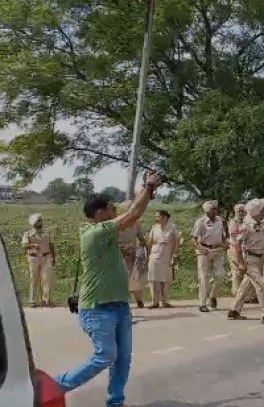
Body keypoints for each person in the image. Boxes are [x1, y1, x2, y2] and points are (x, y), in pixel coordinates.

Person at [55, 173, 160, 407]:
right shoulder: (95, 233)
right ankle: (57, 385)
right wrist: (149, 185)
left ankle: (116, 402)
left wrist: (147, 194)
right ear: (100, 213)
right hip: (97, 309)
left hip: (120, 306)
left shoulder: (107, 234)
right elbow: (133, 214)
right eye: (112, 209)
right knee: (106, 355)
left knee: (122, 359)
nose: (115, 212)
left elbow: (132, 210)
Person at [227, 199, 264, 324]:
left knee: (246, 286)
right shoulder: (247, 226)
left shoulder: (262, 224)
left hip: (260, 258)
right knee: (261, 285)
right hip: (250, 259)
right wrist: (240, 262)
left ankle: (234, 311)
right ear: (256, 212)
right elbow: (237, 243)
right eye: (262, 209)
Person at [191, 200, 226, 312]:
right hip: (204, 251)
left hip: (217, 250)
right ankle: (202, 303)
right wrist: (200, 248)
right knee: (203, 277)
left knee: (220, 275)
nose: (215, 211)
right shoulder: (200, 222)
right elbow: (194, 238)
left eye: (215, 209)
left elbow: (223, 235)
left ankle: (213, 295)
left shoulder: (219, 220)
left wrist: (225, 243)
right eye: (212, 209)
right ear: (206, 211)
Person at [117, 201, 148, 309]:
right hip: (120, 253)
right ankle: (123, 301)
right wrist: (122, 249)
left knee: (135, 278)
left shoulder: (136, 223)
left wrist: (145, 247)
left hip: (133, 254)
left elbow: (140, 237)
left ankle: (139, 299)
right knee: (122, 279)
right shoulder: (118, 223)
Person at [146, 210, 180, 308]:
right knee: (153, 278)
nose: (156, 219)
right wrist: (145, 251)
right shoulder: (154, 228)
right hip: (155, 254)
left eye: (158, 217)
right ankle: (154, 302)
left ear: (164, 217)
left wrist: (175, 255)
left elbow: (177, 241)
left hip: (167, 255)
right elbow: (150, 241)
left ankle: (165, 301)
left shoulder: (172, 227)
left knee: (166, 279)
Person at [21, 213, 56, 307]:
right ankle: (32, 300)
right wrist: (32, 245)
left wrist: (54, 257)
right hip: (34, 257)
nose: (40, 222)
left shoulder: (46, 232)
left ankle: (46, 300)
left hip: (46, 257)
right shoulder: (28, 234)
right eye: (38, 221)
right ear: (34, 223)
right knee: (34, 279)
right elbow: (24, 245)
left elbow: (51, 245)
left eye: (41, 220)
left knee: (46, 278)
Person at [227, 204, 247, 297]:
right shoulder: (233, 221)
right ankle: (236, 293)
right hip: (235, 248)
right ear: (235, 211)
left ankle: (245, 295)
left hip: (245, 249)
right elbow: (234, 237)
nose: (242, 212)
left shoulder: (247, 221)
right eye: (239, 211)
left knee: (246, 272)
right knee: (236, 271)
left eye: (243, 210)